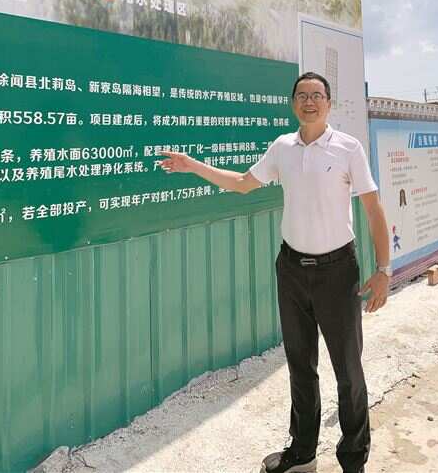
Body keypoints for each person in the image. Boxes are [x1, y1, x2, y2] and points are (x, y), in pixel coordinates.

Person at [159, 72, 391, 473]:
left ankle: (354, 460)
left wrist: (384, 269)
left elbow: (373, 208)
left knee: (348, 371)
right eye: (302, 95)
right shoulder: (282, 147)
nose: (309, 101)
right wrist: (192, 165)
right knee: (300, 365)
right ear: (293, 103)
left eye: (317, 95)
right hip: (292, 269)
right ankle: (302, 452)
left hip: (337, 272)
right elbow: (242, 183)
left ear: (329, 103)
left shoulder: (348, 147)